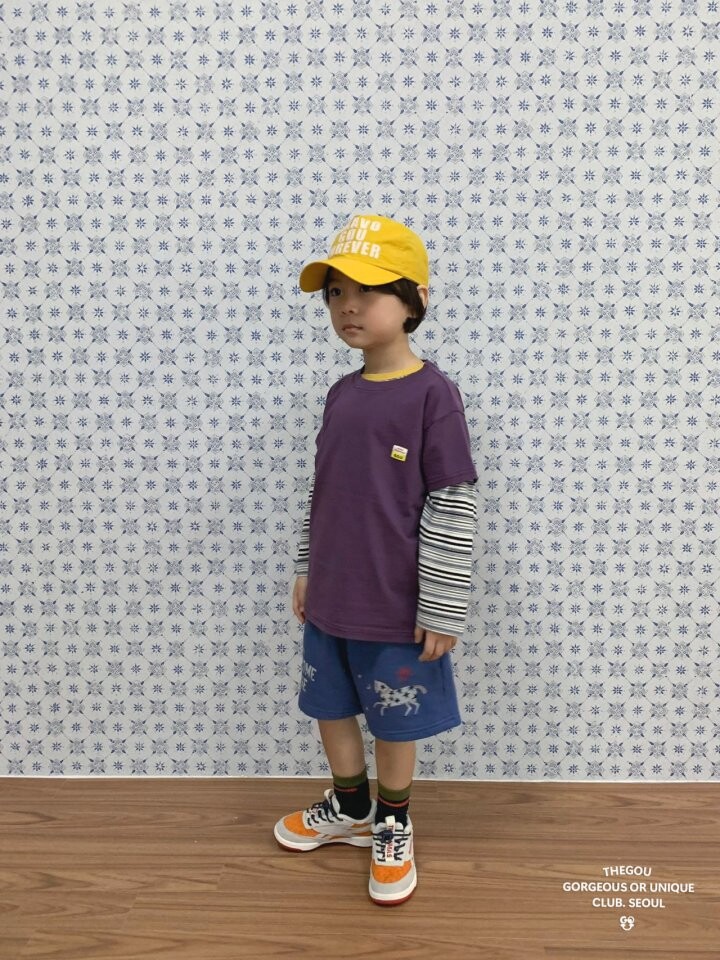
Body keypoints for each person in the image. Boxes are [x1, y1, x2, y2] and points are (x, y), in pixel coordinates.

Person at [273, 214, 478, 906]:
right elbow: (324, 491)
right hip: (331, 597)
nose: (348, 306)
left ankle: (393, 818)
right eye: (335, 292)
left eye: (368, 290)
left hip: (395, 606)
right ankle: (351, 804)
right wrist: (307, 565)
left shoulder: (433, 396)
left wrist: (442, 605)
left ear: (415, 299)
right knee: (329, 705)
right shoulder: (340, 393)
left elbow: (452, 503)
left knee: (393, 717)